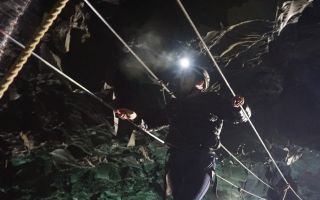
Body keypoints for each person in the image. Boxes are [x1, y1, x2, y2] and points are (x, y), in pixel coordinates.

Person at [115, 67, 251, 200]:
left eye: (187, 77)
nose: (182, 80)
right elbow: (152, 122)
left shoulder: (211, 99)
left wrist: (239, 107)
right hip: (176, 160)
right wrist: (134, 116)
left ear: (200, 82)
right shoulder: (175, 104)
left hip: (200, 160)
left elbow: (238, 117)